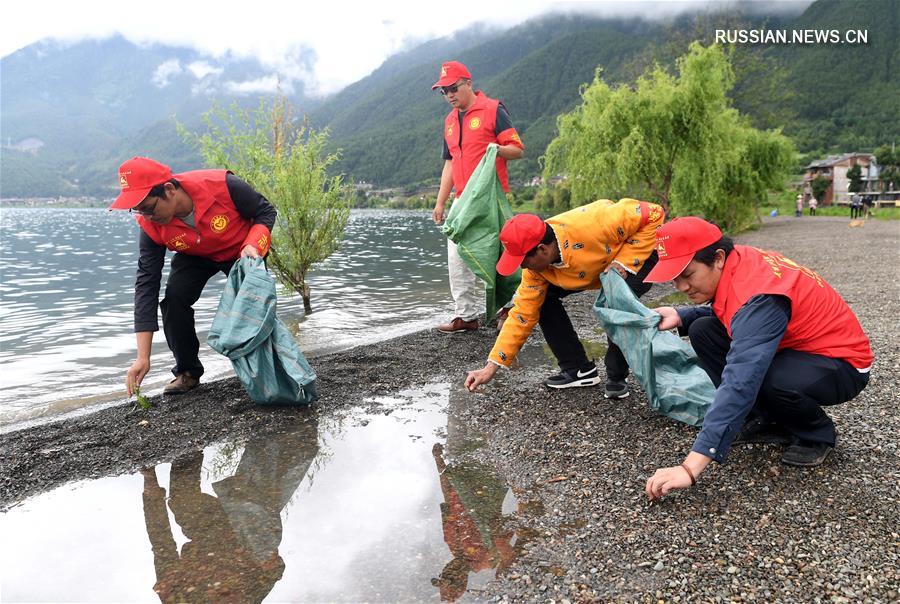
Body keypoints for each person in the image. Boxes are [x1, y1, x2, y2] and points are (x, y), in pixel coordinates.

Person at [643, 218, 872, 501]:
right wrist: (683, 315)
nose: (682, 286)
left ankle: (816, 434)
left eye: (688, 274)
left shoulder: (760, 292)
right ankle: (767, 419)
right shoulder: (737, 260)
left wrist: (691, 467)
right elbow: (737, 313)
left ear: (717, 258)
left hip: (842, 363)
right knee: (702, 330)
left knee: (771, 377)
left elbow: (741, 376)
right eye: (674, 278)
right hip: (797, 349)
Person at [109, 157, 276, 396]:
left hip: (242, 250)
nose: (146, 217)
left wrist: (253, 245)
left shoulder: (225, 185)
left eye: (149, 208)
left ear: (169, 189)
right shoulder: (151, 226)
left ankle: (266, 366)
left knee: (253, 305)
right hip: (195, 254)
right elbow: (146, 285)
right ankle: (187, 372)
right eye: (138, 210)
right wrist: (142, 357)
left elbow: (266, 212)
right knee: (174, 300)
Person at [464, 199, 664, 397]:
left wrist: (625, 261)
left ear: (543, 249)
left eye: (523, 260)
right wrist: (491, 367)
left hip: (638, 256)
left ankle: (617, 376)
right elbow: (522, 314)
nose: (522, 267)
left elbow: (654, 212)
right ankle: (577, 369)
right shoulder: (535, 271)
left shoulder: (598, 222)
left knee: (615, 299)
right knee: (542, 300)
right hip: (591, 269)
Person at [431, 61, 525, 333]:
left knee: (495, 254)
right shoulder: (449, 121)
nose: (449, 95)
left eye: (453, 88)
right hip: (461, 200)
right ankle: (466, 316)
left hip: (491, 198)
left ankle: (507, 308)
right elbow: (449, 164)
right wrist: (440, 202)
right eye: (443, 91)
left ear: (468, 83)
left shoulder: (494, 109)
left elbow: (517, 149)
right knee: (457, 256)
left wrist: (497, 148)